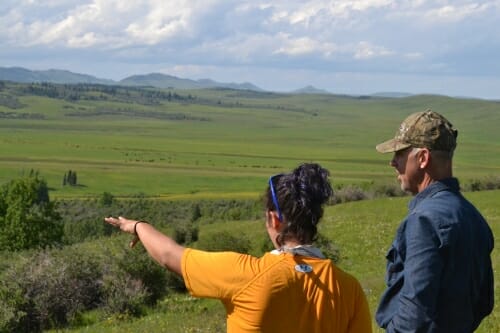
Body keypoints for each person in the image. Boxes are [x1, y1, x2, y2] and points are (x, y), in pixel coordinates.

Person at [105, 163, 372, 333]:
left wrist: (139, 226)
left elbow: (169, 255)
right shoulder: (349, 290)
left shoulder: (246, 275)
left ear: (274, 219)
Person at [374, 110, 494, 332]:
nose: (392, 163)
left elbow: (414, 318)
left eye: (399, 154)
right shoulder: (473, 216)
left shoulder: (424, 221)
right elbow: (484, 303)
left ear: (422, 158)